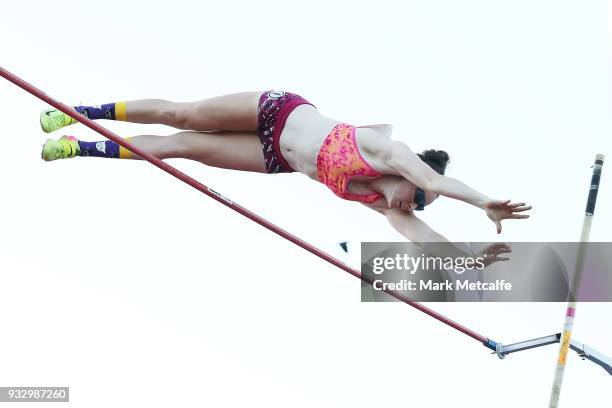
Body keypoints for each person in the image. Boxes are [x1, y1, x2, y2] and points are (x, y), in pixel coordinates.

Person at [39, 90, 530, 253]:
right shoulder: (388, 152)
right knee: (182, 117)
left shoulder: (382, 205)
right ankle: (77, 109)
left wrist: (463, 259)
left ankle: (77, 146)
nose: (414, 203)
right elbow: (439, 182)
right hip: (277, 112)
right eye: (418, 196)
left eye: (419, 205)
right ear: (416, 176)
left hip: (278, 159)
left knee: (180, 150)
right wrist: (482, 199)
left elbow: (423, 236)